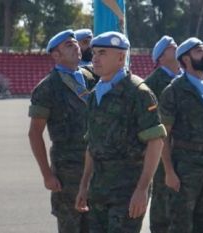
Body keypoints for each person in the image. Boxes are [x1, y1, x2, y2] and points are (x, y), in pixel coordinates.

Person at [74, 31, 166, 233]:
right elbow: (92, 145)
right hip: (98, 189)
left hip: (127, 190)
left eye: (103, 53)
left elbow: (155, 142)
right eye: (95, 52)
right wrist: (84, 184)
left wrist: (142, 189)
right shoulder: (94, 94)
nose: (95, 58)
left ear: (121, 57)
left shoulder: (138, 93)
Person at [28, 29, 96, 233]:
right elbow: (34, 133)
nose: (76, 46)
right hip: (68, 173)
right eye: (68, 45)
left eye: (75, 43)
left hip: (97, 168)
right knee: (71, 225)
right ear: (55, 55)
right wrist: (47, 174)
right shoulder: (48, 87)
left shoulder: (93, 77)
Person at [159, 37, 203, 233]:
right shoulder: (174, 90)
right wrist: (169, 172)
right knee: (181, 223)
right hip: (184, 165)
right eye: (198, 51)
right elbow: (164, 136)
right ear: (186, 59)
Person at [144, 35, 182, 233]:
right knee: (162, 202)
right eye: (170, 47)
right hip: (162, 150)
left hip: (188, 150)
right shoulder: (153, 82)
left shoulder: (187, 78)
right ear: (160, 58)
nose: (175, 47)